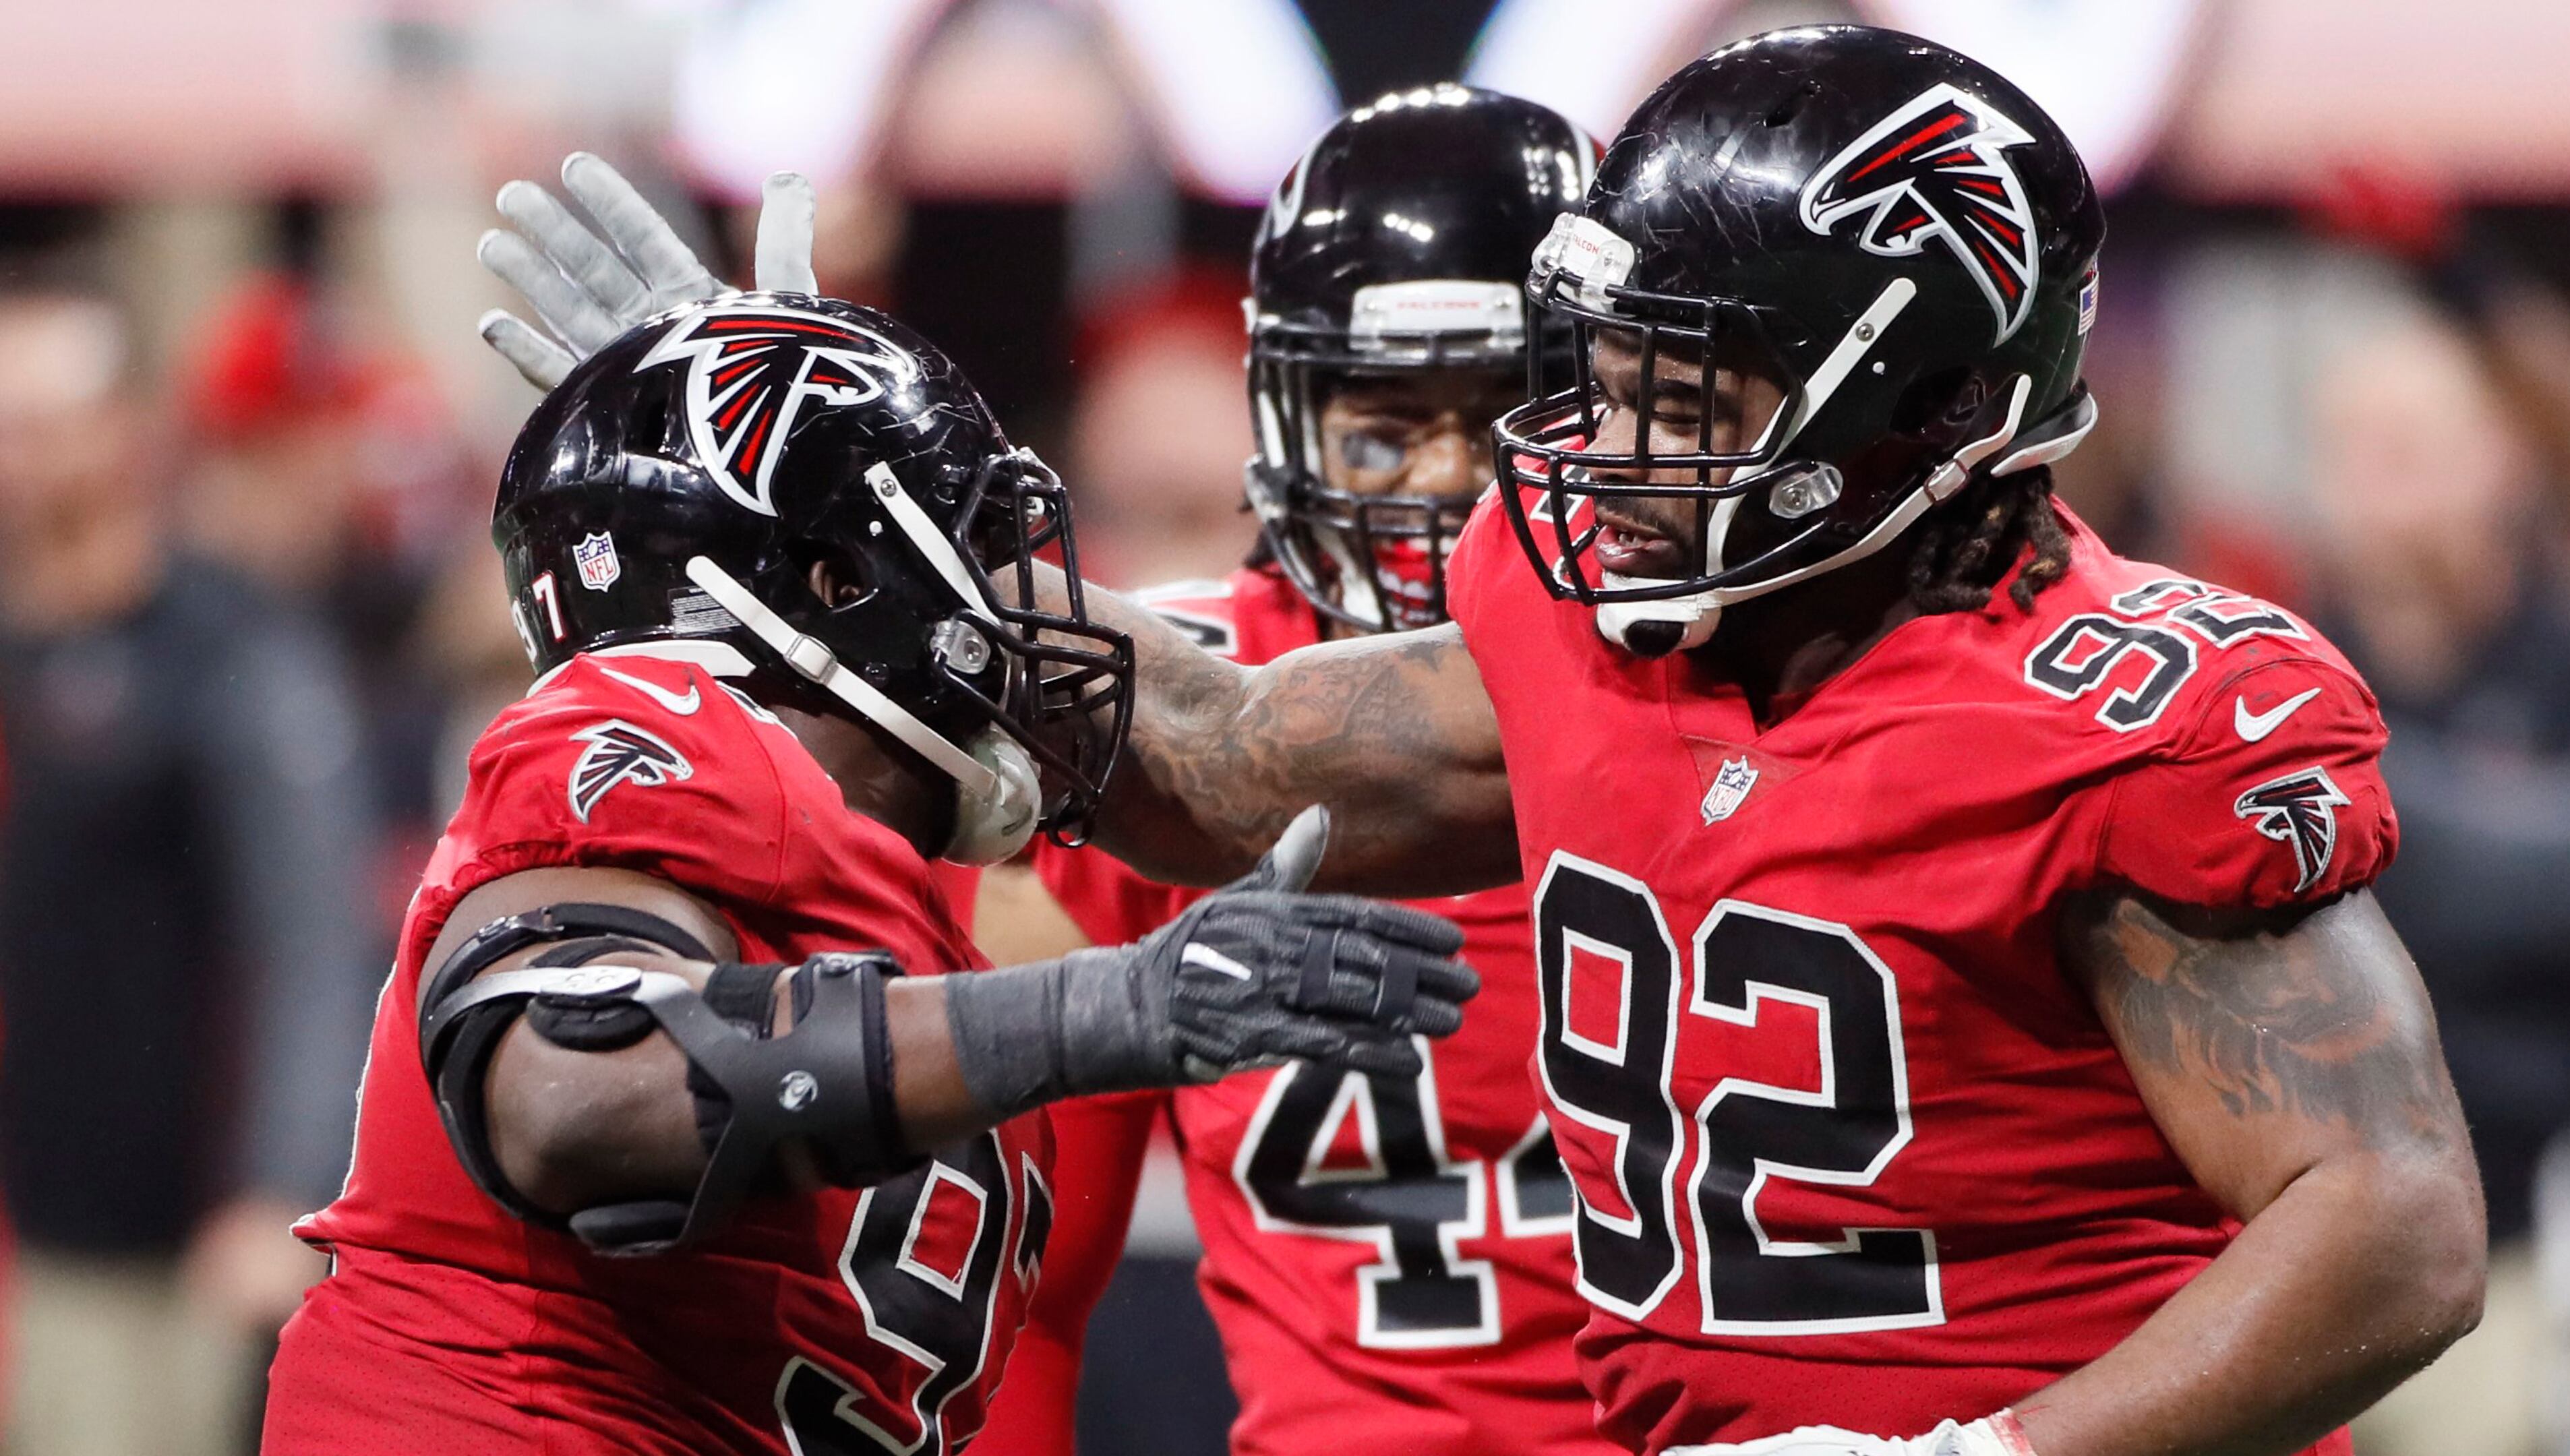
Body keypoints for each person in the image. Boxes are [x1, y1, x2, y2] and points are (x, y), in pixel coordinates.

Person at [483, 32, 2488, 1453]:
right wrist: (805, 497)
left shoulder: (2124, 722)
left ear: (1934, 411)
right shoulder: (1594, 624)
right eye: (1604, 381)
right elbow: (1232, 758)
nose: (1597, 455)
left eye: (1687, 400)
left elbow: (2392, 1227)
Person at [262, 270, 1475, 1452]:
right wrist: (1104, 1007)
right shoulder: (666, 722)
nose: (1024, 612)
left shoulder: (878, 906)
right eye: (974, 548)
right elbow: (571, 1095)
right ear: (841, 582)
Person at [969, 86, 1615, 1456]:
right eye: (1384, 431)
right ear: (1283, 421)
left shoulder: (1750, 692)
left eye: (1505, 420)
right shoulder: (1132, 726)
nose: (1446, 489)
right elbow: (1014, 1295)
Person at [0, 283, 376, 1456]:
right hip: (46, 1228)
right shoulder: (21, 646)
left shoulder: (228, 649)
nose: (19, 460)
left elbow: (316, 932)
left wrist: (282, 1183)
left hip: (191, 1241)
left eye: (43, 424)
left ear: (122, 433)